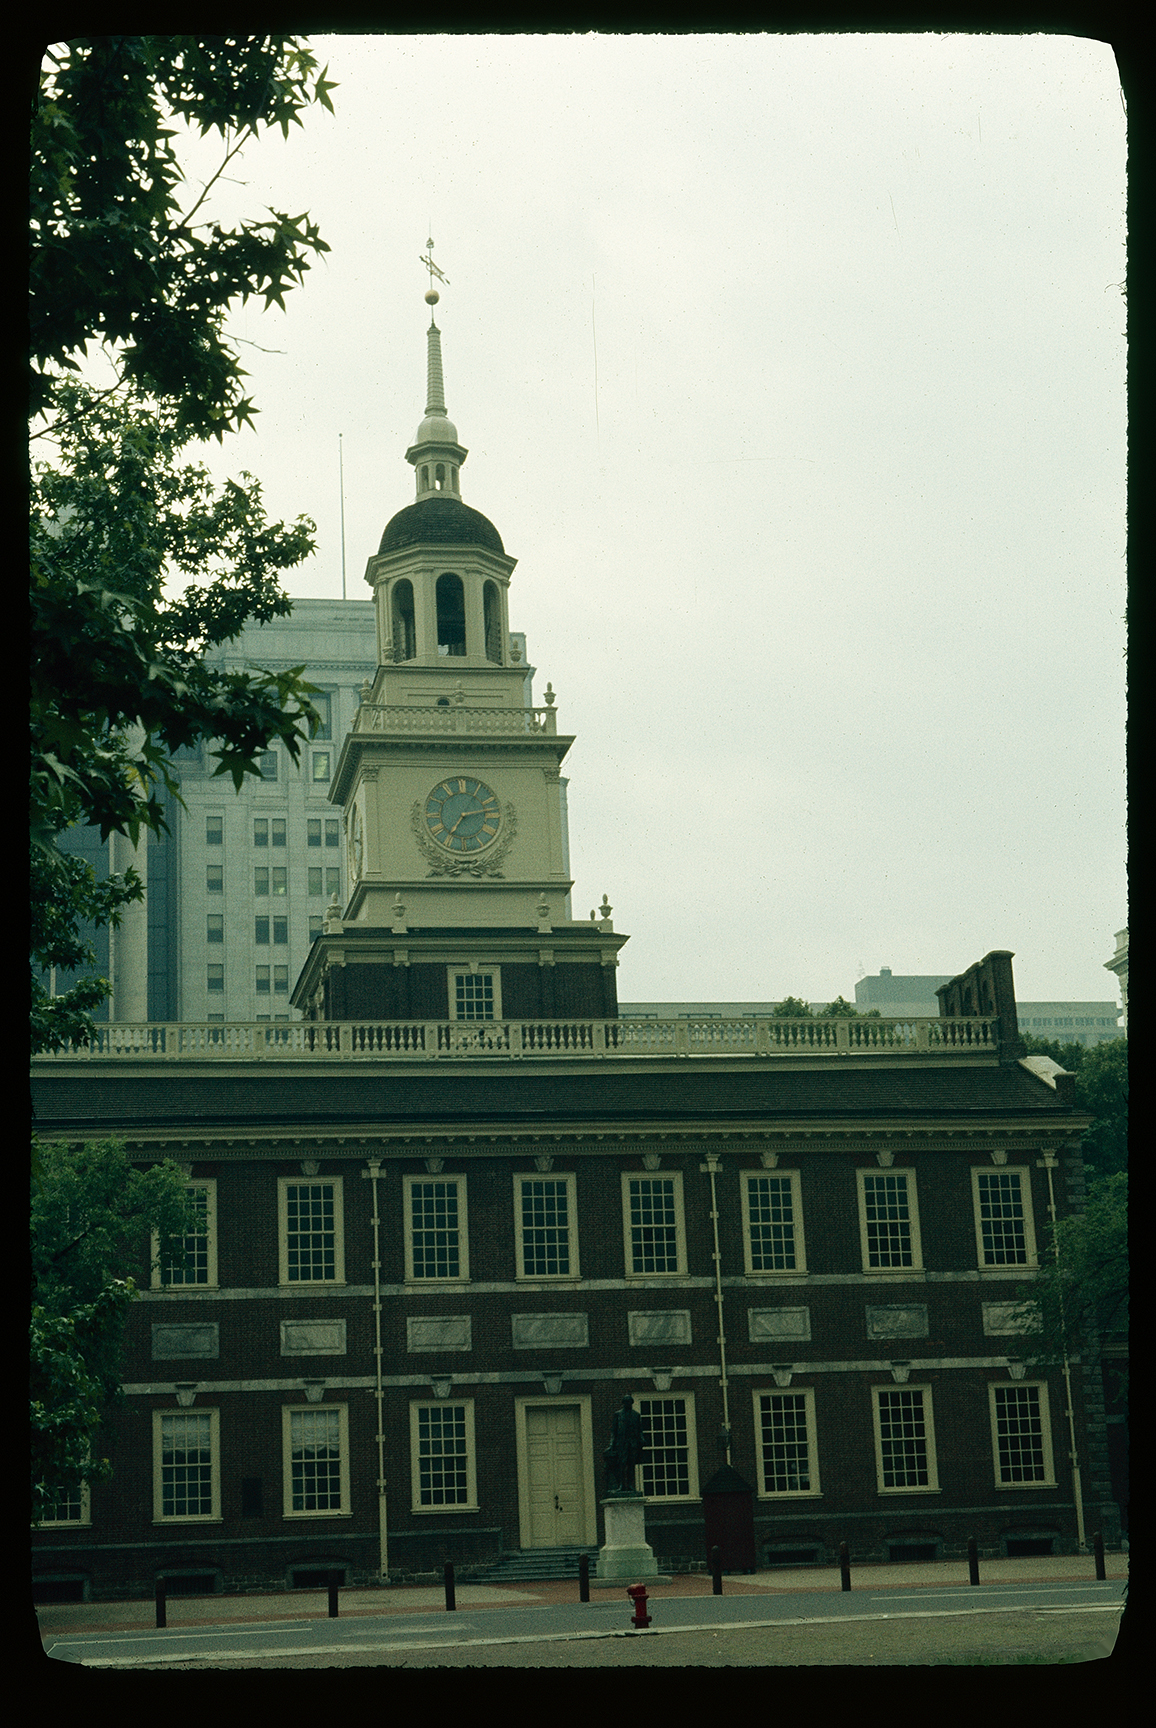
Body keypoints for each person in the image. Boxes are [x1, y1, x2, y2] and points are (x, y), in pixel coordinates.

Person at [603, 1393, 645, 1494]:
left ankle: (630, 1485)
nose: (628, 1404)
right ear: (623, 1403)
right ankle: (621, 1485)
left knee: (631, 1465)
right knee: (621, 1465)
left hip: (632, 1444)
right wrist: (611, 1445)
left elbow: (639, 1430)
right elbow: (614, 1431)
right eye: (626, 1402)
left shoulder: (636, 1415)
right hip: (621, 1444)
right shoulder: (618, 1414)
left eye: (629, 1402)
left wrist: (642, 1439)